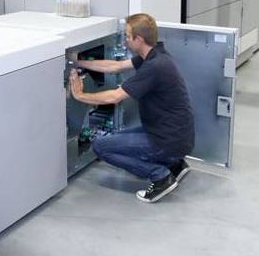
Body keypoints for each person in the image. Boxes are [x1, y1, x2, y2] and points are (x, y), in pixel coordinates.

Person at [69, 13, 194, 203]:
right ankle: (175, 164)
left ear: (139, 39)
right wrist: (77, 61)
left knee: (100, 146)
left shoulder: (154, 67)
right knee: (116, 137)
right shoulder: (155, 54)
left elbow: (115, 96)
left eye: (128, 36)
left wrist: (80, 95)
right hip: (172, 134)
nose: (126, 41)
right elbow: (115, 66)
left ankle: (160, 176)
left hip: (166, 140)